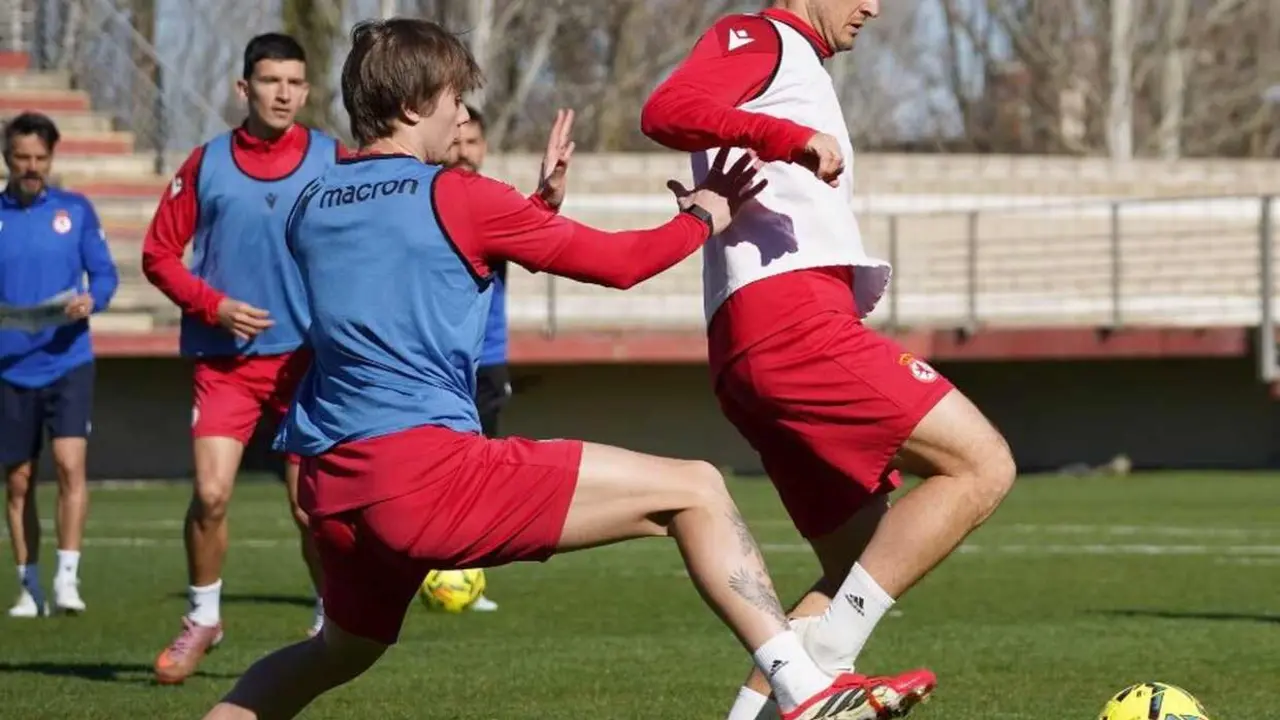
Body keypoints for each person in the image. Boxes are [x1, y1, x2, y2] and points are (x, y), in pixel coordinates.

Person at [202, 18, 931, 720]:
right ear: (414, 103)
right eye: (454, 100)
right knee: (698, 490)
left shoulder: (310, 203)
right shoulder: (458, 194)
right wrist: (705, 215)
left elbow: (400, 271)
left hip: (332, 488)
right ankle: (803, 688)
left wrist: (531, 211)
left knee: (337, 651)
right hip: (423, 476)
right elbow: (619, 265)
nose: (461, 120)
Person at [641, 1, 1018, 718]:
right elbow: (666, 108)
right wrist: (786, 136)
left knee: (860, 561)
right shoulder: (758, 35)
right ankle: (828, 680)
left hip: (754, 344)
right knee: (982, 464)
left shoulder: (793, 60)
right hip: (791, 327)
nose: (872, 7)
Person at [141, 32, 343, 684]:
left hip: (309, 363)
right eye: (269, 81)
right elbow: (158, 256)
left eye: (294, 82)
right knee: (210, 493)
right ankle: (204, 616)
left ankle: (330, 614)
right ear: (243, 88)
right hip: (226, 361)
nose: (282, 93)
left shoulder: (331, 159)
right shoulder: (206, 164)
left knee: (310, 509)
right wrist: (215, 305)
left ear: (306, 90)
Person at [0, 112, 118, 618]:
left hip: (68, 359)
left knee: (71, 465)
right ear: (7, 156)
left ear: (52, 157)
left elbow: (106, 275)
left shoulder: (77, 209)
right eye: (22, 157)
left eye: (40, 159)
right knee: (20, 480)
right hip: (8, 365)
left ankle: (68, 579)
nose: (31, 167)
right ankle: (30, 586)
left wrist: (92, 301)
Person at [443, 103, 501, 613]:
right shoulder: (434, 202)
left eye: (473, 143)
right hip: (441, 363)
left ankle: (466, 572)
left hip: (488, 359)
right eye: (456, 141)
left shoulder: (490, 202)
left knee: (478, 471)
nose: (464, 152)